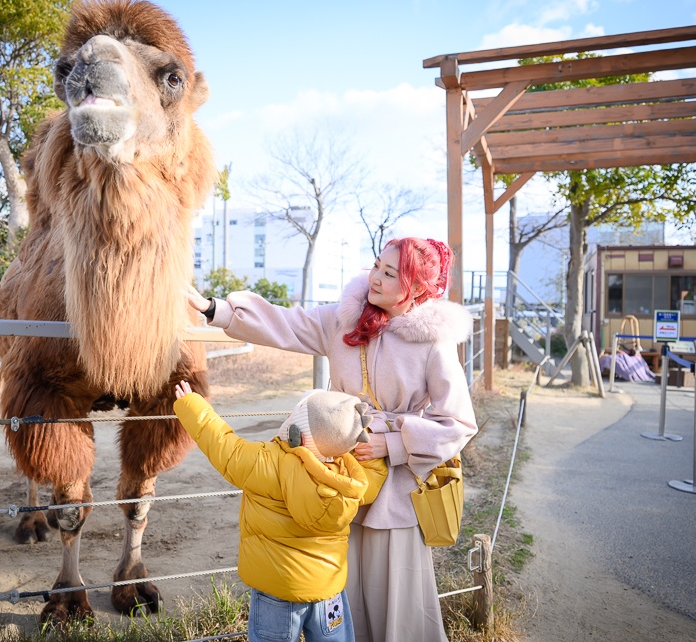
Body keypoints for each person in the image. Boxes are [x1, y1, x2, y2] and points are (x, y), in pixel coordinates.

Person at [186, 237, 478, 642]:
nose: (375, 277)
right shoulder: (346, 318)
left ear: (417, 286)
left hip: (396, 490)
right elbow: (287, 323)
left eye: (390, 273)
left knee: (395, 596)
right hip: (336, 478)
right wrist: (219, 310)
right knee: (340, 589)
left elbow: (459, 423)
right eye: (376, 265)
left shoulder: (433, 342)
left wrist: (392, 446)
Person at [173, 381, 387, 642]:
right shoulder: (350, 479)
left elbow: (223, 446)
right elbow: (375, 477)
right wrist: (360, 443)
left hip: (277, 590)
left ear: (298, 430)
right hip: (327, 588)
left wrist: (192, 405)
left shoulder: (265, 461)